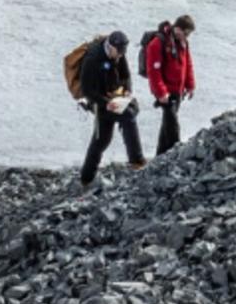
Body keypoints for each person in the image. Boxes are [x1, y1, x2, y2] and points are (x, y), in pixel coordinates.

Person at [77, 30, 144, 188]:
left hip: (116, 97)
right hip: (99, 102)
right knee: (119, 125)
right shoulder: (93, 58)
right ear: (110, 46)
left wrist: (127, 90)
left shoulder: (120, 53)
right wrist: (105, 103)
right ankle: (136, 160)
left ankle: (86, 178)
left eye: (122, 53)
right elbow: (87, 90)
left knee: (107, 136)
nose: (119, 56)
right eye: (118, 52)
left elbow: (126, 75)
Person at [143, 15, 197, 155]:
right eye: (186, 33)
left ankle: (160, 156)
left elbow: (188, 64)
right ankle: (177, 156)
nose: (187, 37)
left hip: (178, 91)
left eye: (189, 35)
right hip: (165, 93)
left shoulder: (183, 43)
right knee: (172, 126)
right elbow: (153, 71)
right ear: (178, 28)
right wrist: (161, 92)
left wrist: (190, 85)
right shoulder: (157, 43)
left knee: (166, 127)